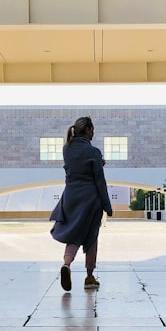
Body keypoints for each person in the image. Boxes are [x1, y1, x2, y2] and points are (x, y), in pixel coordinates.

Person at [49, 116, 113, 291]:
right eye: (93, 130)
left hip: (70, 197)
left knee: (74, 234)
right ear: (87, 130)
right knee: (91, 236)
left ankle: (67, 264)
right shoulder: (94, 152)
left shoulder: (66, 149)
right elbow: (99, 181)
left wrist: (98, 162)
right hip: (91, 199)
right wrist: (107, 205)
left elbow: (78, 165)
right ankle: (89, 276)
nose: (94, 133)